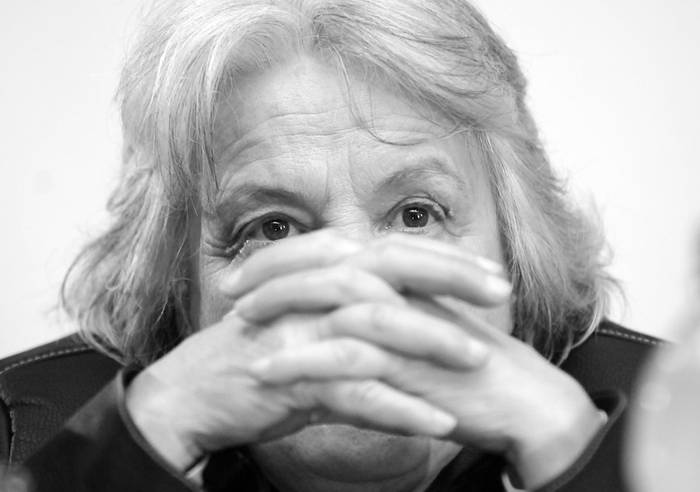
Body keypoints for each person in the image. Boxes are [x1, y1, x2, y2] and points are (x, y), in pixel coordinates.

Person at [0, 1, 663, 491]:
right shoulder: (19, 434)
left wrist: (582, 459)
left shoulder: (676, 430)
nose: (357, 287)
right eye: (273, 228)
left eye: (415, 215)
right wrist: (137, 444)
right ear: (176, 283)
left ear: (516, 253)